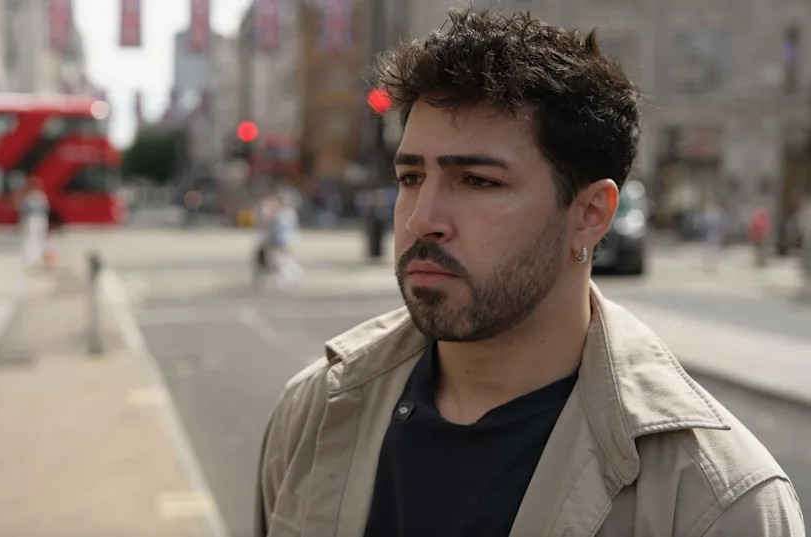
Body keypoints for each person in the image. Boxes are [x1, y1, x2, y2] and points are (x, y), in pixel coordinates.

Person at [255, 10, 803, 537]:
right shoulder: (315, 411)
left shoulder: (715, 501)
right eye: (411, 177)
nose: (423, 220)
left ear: (590, 215)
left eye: (478, 181)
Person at [18, 180, 50, 270]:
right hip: (35, 219)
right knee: (31, 237)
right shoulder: (33, 197)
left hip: (36, 219)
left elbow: (25, 210)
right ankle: (31, 256)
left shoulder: (35, 197)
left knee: (36, 238)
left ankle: (36, 256)